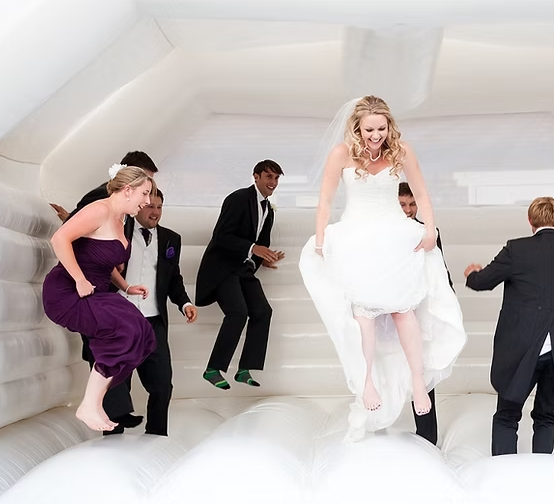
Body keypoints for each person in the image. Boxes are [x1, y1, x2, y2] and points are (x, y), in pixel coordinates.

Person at [298, 95, 466, 441]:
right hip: (357, 237)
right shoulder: (342, 154)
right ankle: (367, 383)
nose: (376, 136)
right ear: (357, 128)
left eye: (381, 129)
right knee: (364, 314)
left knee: (404, 310)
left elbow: (422, 194)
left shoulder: (401, 151)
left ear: (389, 126)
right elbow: (325, 201)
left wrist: (429, 229)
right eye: (369, 130)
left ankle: (418, 382)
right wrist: (320, 239)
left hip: (393, 235)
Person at [464, 197, 554, 455]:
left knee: (507, 414)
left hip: (521, 346)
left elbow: (482, 282)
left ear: (530, 220)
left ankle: (504, 469)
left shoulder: (516, 249)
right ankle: (542, 471)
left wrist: (472, 274)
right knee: (546, 416)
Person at [42, 165, 157, 431]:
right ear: (127, 190)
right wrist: (79, 279)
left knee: (141, 331)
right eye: (144, 193)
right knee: (125, 329)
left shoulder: (121, 220)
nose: (147, 201)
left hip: (96, 290)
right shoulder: (99, 210)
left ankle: (94, 404)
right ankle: (88, 405)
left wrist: (126, 286)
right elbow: (59, 239)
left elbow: (102, 261)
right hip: (67, 291)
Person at [196, 160, 285, 389]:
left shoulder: (268, 210)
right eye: (269, 176)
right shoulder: (237, 198)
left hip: (244, 269)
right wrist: (253, 248)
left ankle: (244, 369)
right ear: (256, 176)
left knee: (263, 311)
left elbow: (261, 244)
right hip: (223, 267)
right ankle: (213, 369)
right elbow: (221, 236)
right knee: (238, 312)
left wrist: (265, 257)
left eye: (276, 178)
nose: (273, 182)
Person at [114, 189, 197, 435]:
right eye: (151, 206)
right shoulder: (119, 231)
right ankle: (112, 440)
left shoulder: (171, 239)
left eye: (160, 207)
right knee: (118, 385)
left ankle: (156, 436)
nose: (156, 212)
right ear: (139, 206)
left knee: (162, 385)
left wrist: (185, 303)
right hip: (119, 320)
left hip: (153, 322)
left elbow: (173, 279)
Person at [397, 181, 452, 445]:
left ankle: (427, 437)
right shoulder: (381, 232)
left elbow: (441, 270)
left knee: (423, 370)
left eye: (412, 204)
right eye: (402, 204)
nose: (408, 210)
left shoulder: (429, 232)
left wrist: (448, 300)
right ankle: (380, 432)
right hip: (389, 309)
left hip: (420, 310)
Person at [50, 151, 159, 222]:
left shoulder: (130, 205)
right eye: (144, 179)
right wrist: (70, 219)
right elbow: (74, 224)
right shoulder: (103, 194)